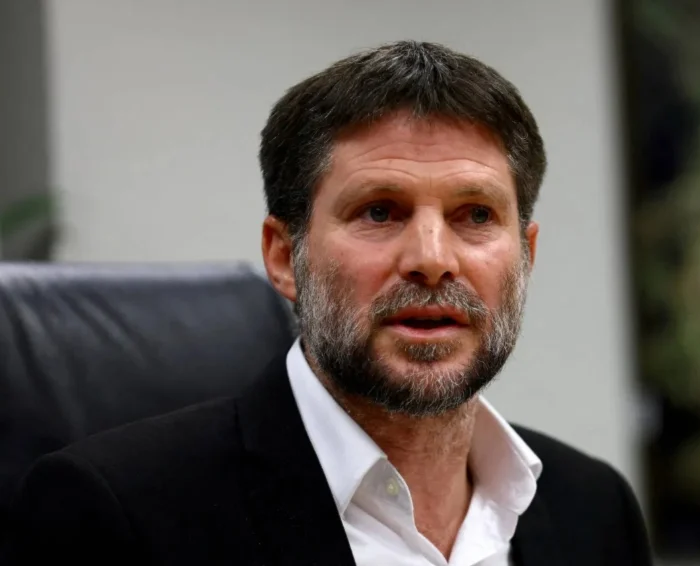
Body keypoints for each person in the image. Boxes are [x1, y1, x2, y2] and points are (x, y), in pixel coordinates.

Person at [1, 41, 652, 565]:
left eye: (475, 214)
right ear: (285, 257)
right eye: (379, 211)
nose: (432, 258)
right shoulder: (116, 512)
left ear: (526, 256)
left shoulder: (592, 509)